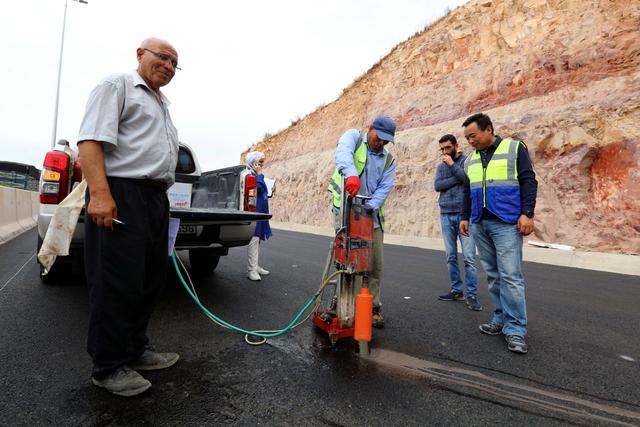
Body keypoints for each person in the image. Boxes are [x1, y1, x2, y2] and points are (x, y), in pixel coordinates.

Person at [77, 37, 181, 396]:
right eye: (163, 58)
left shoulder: (161, 104)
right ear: (140, 54)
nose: (168, 66)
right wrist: (101, 194)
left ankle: (135, 350)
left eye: (174, 63)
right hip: (122, 193)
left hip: (154, 199)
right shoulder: (117, 85)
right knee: (116, 281)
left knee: (149, 280)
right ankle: (107, 367)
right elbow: (90, 141)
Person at [459, 113, 538, 354]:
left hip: (506, 222)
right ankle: (500, 319)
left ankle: (515, 330)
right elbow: (466, 190)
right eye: (467, 138)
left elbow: (528, 180)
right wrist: (464, 216)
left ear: (489, 129)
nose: (470, 141)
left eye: (473, 136)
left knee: (511, 276)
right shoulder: (470, 160)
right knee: (493, 275)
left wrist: (528, 212)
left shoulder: (514, 148)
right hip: (479, 223)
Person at [328, 115, 397, 328]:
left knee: (374, 264)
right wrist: (351, 175)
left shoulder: (388, 160)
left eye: (387, 140)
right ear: (370, 128)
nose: (382, 142)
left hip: (370, 216)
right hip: (346, 211)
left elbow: (385, 187)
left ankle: (372, 308)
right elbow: (343, 154)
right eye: (380, 137)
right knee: (348, 261)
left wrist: (368, 208)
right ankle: (341, 303)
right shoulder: (354, 138)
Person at [434, 134, 481, 311]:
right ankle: (456, 290)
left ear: (455, 146)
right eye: (442, 149)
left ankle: (472, 295)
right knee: (451, 256)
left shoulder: (466, 161)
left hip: (464, 215)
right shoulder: (440, 167)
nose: (445, 152)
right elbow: (437, 186)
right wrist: (456, 178)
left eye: (447, 148)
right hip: (445, 214)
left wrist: (453, 166)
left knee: (469, 257)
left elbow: (468, 179)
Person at [245, 151, 273, 281]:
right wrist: (260, 175)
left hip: (261, 211)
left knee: (259, 239)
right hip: (254, 211)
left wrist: (272, 189)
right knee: (254, 239)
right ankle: (251, 270)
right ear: (253, 163)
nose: (262, 165)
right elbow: (259, 188)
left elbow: (264, 192)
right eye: (260, 162)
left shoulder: (257, 175)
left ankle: (255, 266)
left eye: (262, 162)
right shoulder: (249, 175)